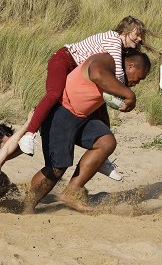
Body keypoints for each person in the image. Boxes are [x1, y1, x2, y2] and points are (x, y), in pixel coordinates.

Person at [18, 16, 153, 181]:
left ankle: (101, 160)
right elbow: (117, 73)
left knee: (100, 109)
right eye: (136, 34)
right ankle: (29, 133)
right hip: (64, 59)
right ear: (124, 31)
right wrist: (127, 94)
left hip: (75, 67)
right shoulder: (114, 40)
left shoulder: (119, 48)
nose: (139, 39)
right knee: (54, 93)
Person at [24, 48, 151, 213]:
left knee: (106, 142)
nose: (137, 82)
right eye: (140, 77)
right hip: (60, 112)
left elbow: (101, 105)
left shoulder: (116, 76)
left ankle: (70, 192)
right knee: (57, 168)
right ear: (132, 66)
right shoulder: (107, 60)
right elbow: (96, 73)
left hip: (81, 117)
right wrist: (130, 95)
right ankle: (26, 206)